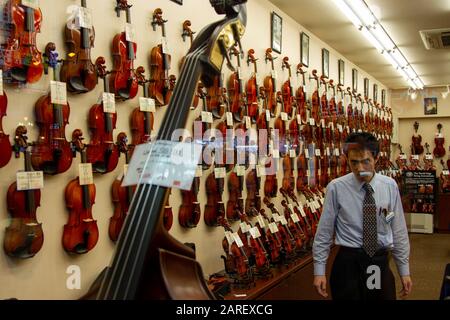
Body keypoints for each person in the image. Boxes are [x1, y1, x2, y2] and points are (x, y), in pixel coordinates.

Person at [312, 132, 412, 300]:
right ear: (347, 159)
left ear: (376, 158)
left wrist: (404, 269)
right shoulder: (336, 188)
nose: (359, 169)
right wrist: (319, 270)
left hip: (377, 262)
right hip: (347, 263)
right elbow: (324, 231)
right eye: (354, 162)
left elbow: (398, 229)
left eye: (366, 161)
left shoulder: (389, 186)